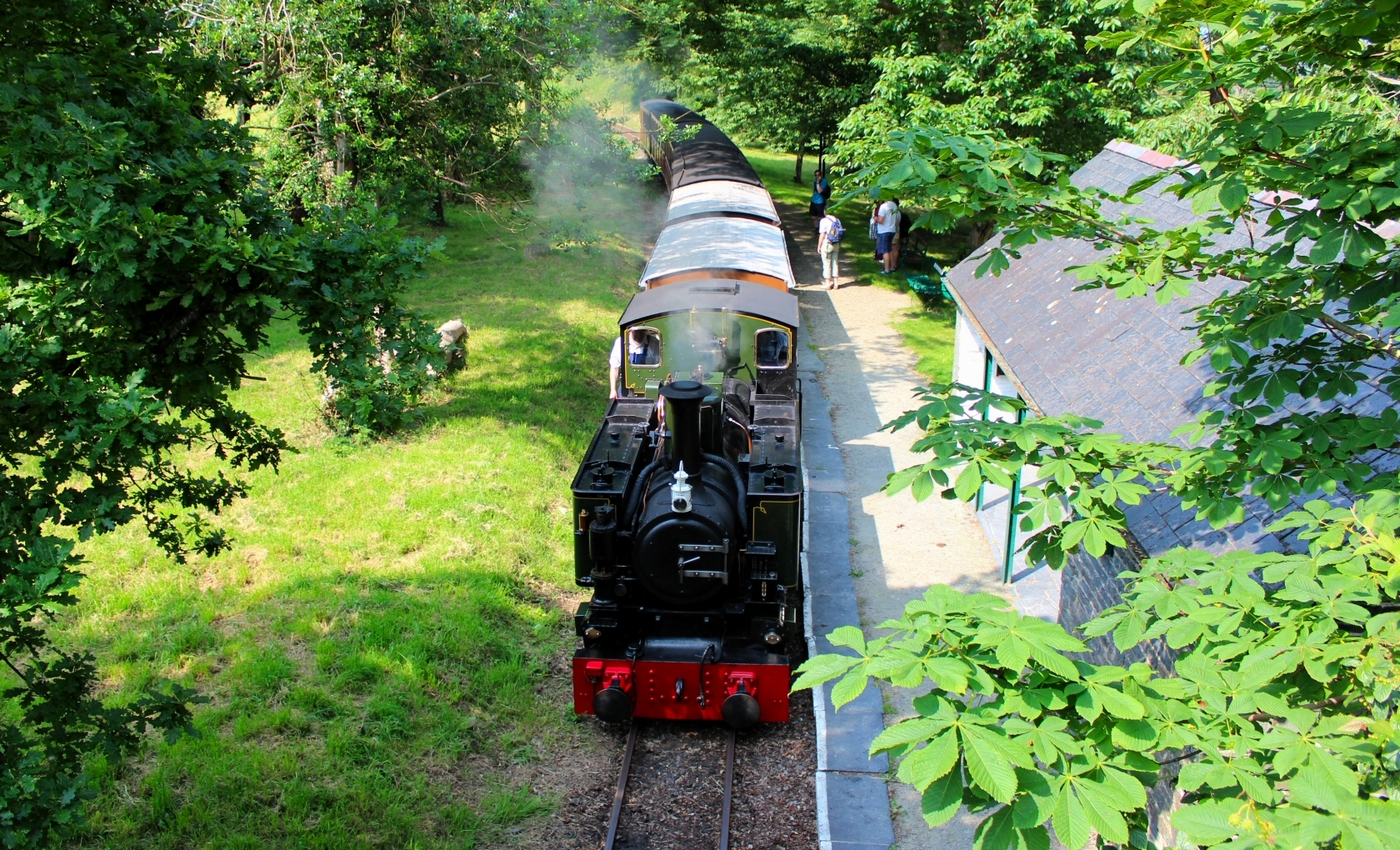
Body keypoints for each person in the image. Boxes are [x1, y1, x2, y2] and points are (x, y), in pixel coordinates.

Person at [817, 210, 842, 290]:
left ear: (825, 211)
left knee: (827, 263)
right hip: (836, 244)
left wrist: (819, 246)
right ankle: (836, 283)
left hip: (827, 244)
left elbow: (822, 234)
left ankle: (827, 283)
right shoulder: (837, 220)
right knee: (835, 263)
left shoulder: (824, 221)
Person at [875, 197, 900, 274]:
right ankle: (892, 267)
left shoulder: (883, 206)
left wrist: (875, 218)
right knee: (889, 249)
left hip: (884, 231)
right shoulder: (894, 205)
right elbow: (896, 221)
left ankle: (886, 270)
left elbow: (881, 220)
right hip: (892, 231)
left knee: (885, 251)